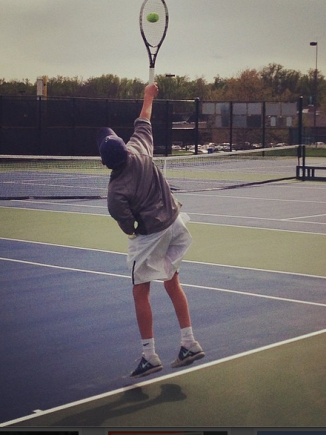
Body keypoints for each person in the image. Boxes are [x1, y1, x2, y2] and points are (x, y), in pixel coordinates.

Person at [96, 82, 205, 378]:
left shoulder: (115, 193)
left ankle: (149, 355)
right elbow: (144, 117)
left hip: (153, 235)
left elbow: (128, 226)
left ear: (105, 163)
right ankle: (188, 343)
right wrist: (148, 95)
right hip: (176, 224)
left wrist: (136, 235)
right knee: (172, 282)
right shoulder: (140, 146)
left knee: (140, 291)